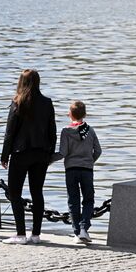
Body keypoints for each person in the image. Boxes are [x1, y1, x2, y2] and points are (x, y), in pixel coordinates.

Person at [1, 69, 57, 245]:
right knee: (37, 192)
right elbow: (52, 132)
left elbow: (10, 131)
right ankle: (36, 234)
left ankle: (20, 234)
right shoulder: (47, 103)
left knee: (15, 192)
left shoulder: (18, 102)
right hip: (41, 154)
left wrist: (4, 155)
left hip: (20, 153)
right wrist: (49, 153)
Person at [51, 100, 102, 244]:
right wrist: (89, 161)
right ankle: (84, 228)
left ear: (70, 115)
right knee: (88, 199)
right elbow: (98, 150)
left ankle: (77, 233)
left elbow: (62, 153)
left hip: (71, 170)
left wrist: (48, 160)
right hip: (86, 170)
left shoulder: (66, 131)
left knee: (73, 201)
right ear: (85, 114)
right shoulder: (90, 130)